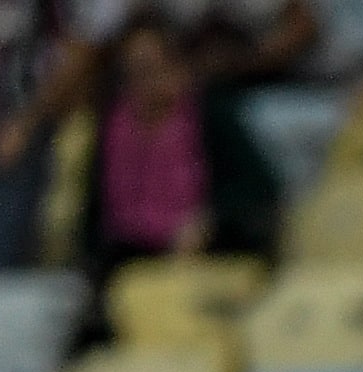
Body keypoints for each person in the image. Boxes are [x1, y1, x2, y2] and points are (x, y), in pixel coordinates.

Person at [79, 12, 278, 281]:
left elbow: (257, 188)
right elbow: (94, 214)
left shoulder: (210, 113)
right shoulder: (111, 123)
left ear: (177, 66)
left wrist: (211, 221)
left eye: (149, 69)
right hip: (128, 256)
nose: (142, 83)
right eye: (130, 74)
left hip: (202, 254)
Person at [0, 0, 84, 270]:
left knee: (4, 241)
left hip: (22, 128)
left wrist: (25, 123)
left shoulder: (46, 9)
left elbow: (72, 57)